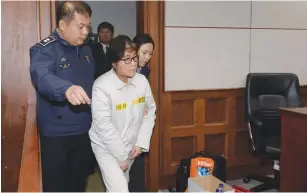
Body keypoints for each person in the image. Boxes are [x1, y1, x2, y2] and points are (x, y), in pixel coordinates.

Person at [29, 1, 94, 192]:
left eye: (87, 26)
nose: (85, 32)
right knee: (57, 187)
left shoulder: (86, 50)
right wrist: (66, 89)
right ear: (63, 25)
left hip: (83, 129)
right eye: (80, 26)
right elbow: (43, 77)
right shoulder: (43, 50)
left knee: (79, 183)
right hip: (57, 134)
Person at [89, 35, 156, 192]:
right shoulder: (101, 86)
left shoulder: (141, 81)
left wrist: (141, 143)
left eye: (134, 58)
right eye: (126, 59)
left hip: (131, 144)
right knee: (120, 189)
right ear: (114, 62)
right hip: (106, 147)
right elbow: (103, 126)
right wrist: (120, 156)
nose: (133, 64)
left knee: (120, 184)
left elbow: (150, 112)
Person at [129, 33, 155, 192]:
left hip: (139, 124)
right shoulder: (122, 70)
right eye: (144, 52)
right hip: (123, 124)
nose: (147, 57)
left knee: (137, 168)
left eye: (150, 54)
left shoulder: (144, 71)